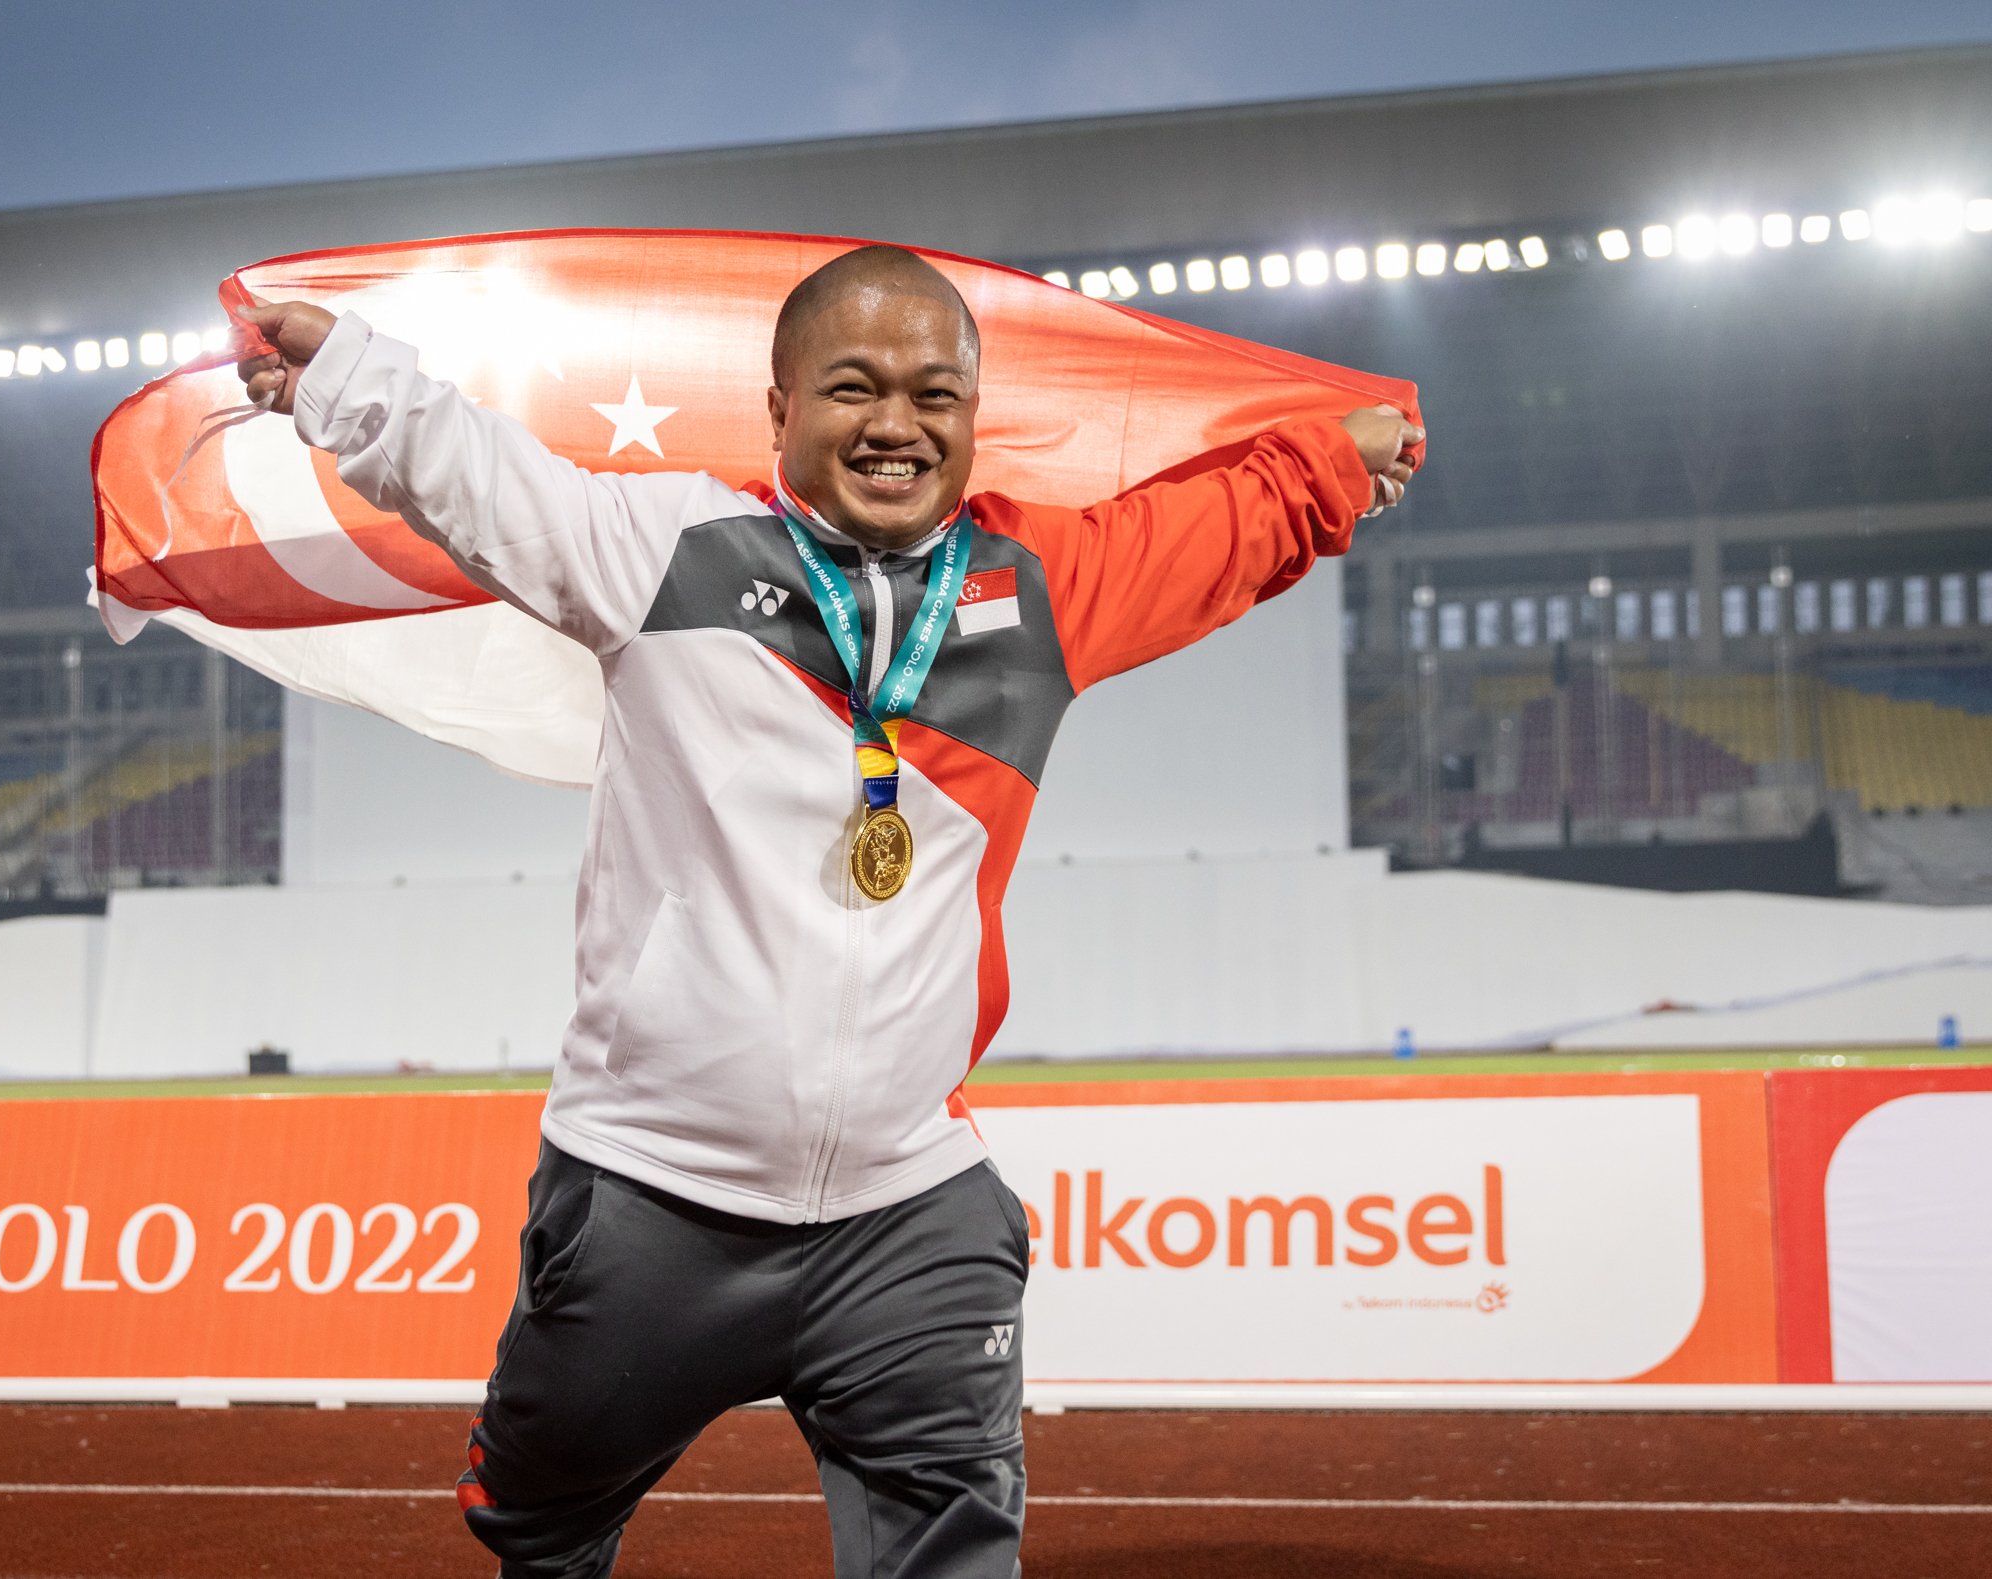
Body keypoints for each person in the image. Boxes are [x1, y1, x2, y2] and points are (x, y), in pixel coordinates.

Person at [236, 246, 1420, 1579]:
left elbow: (1222, 527)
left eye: (936, 395)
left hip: (908, 1218)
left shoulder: (1041, 587)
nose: (897, 426)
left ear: (973, 416)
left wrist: (1337, 460)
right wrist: (338, 371)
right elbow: (474, 472)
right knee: (541, 1538)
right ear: (782, 409)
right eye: (855, 388)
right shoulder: (664, 549)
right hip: (648, 1204)